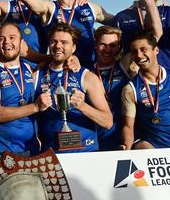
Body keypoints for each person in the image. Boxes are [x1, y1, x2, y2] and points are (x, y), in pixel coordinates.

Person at [34, 24, 112, 153]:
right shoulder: (37, 75)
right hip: (52, 155)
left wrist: (82, 106)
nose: (58, 46)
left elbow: (107, 122)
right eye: (54, 41)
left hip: (86, 152)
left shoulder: (87, 77)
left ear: (74, 47)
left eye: (64, 42)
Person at [0, 22, 41, 155]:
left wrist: (72, 59)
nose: (6, 42)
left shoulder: (28, 69)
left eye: (12, 37)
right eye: (2, 38)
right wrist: (35, 107)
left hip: (31, 148)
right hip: (2, 152)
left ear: (21, 43)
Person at [93, 26, 133, 151]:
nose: (107, 50)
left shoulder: (124, 66)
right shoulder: (85, 71)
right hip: (94, 137)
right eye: (103, 45)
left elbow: (153, 37)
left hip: (121, 135)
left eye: (113, 45)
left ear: (119, 47)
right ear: (95, 45)